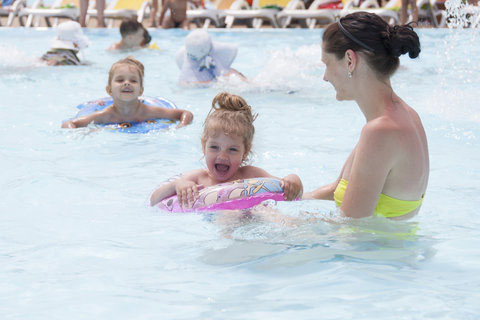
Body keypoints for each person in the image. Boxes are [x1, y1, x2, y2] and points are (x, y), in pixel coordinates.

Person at [303, 12, 429, 220]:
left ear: (350, 60)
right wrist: (284, 199)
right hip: (391, 248)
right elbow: (338, 188)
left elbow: (351, 226)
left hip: (375, 251)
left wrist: (276, 221)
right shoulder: (405, 115)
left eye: (327, 64)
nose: (325, 77)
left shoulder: (381, 131)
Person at [150, 92, 303, 207]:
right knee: (228, 218)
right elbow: (154, 200)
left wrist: (293, 179)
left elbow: (287, 189)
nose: (222, 156)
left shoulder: (251, 175)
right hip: (222, 222)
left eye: (232, 150)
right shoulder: (198, 178)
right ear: (204, 147)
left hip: (257, 217)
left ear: (245, 153)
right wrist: (177, 185)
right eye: (214, 147)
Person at [61, 57, 193, 129]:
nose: (126, 83)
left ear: (141, 90)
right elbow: (69, 123)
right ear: (109, 90)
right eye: (120, 80)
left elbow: (185, 114)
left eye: (133, 81)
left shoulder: (149, 111)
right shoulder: (105, 115)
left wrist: (180, 127)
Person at [175, 30, 247, 85]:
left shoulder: (186, 79)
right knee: (232, 75)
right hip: (219, 83)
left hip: (198, 85)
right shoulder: (226, 73)